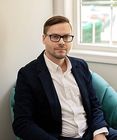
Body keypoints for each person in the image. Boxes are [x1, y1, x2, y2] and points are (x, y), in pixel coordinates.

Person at [12, 15, 117, 140]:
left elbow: (95, 105)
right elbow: (22, 123)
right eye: (55, 37)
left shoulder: (81, 65)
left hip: (92, 132)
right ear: (44, 39)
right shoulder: (28, 75)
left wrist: (99, 133)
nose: (62, 42)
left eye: (66, 37)